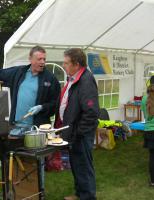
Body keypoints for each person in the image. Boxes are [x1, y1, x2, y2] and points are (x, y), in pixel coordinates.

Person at [0, 46, 61, 133]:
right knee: (14, 153)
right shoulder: (19, 72)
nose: (43, 62)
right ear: (30, 59)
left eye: (44, 59)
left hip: (37, 129)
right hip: (16, 126)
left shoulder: (50, 79)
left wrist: (42, 107)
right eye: (39, 59)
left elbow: (55, 104)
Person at [55, 48, 99, 200]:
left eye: (66, 63)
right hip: (73, 133)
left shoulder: (86, 80)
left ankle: (87, 196)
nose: (64, 65)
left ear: (77, 64)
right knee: (76, 165)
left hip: (80, 135)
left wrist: (79, 133)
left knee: (84, 167)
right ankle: (80, 193)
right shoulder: (74, 78)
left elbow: (91, 112)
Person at [141, 75, 154, 187]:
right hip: (151, 129)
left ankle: (153, 181)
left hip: (150, 130)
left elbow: (145, 115)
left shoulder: (145, 98)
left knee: (153, 156)